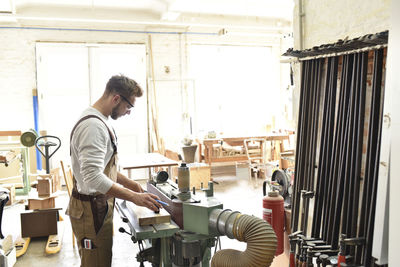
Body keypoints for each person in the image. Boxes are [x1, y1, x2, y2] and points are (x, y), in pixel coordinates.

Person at [66, 74, 162, 267]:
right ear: (116, 98)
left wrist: (130, 184)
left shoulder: (100, 119)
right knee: (96, 263)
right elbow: (93, 177)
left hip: (98, 206)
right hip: (90, 210)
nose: (128, 112)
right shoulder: (93, 126)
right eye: (129, 106)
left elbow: (102, 168)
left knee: (102, 259)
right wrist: (133, 197)